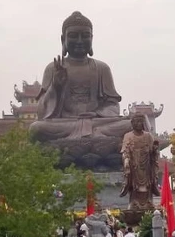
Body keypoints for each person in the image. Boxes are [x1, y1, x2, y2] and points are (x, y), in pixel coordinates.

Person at [29, 11, 132, 142]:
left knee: (132, 125)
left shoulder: (102, 68)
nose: (79, 41)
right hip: (65, 125)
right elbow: (42, 113)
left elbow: (112, 105)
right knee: (37, 129)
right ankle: (94, 137)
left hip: (96, 122)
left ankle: (92, 134)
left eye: (85, 36)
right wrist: (55, 86)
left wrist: (97, 114)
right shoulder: (53, 68)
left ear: (92, 38)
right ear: (63, 40)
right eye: (73, 36)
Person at [120, 113, 160, 209]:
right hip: (134, 165)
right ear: (132, 123)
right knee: (134, 184)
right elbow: (125, 151)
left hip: (146, 165)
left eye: (141, 122)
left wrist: (154, 150)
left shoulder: (148, 136)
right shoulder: (128, 136)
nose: (139, 124)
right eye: (136, 122)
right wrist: (126, 160)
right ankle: (134, 202)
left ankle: (149, 201)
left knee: (148, 184)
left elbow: (153, 152)